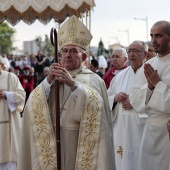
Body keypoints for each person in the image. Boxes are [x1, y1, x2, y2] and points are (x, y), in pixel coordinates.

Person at [18, 15, 115, 170]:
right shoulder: (52, 77)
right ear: (60, 55)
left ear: (83, 57)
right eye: (64, 51)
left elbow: (98, 109)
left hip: (79, 140)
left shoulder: (94, 80)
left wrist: (73, 85)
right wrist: (48, 81)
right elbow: (32, 105)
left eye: (73, 51)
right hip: (51, 138)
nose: (68, 55)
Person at [129, 20, 170, 170]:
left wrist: (158, 84)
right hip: (150, 130)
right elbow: (134, 99)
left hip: (167, 130)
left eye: (159, 35)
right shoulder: (148, 66)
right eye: (152, 36)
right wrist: (151, 87)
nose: (153, 40)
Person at [107, 41, 148, 170]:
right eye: (129, 51)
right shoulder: (119, 77)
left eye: (136, 51)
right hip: (121, 129)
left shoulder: (151, 73)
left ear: (145, 54)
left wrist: (134, 101)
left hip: (143, 128)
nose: (132, 54)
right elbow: (106, 97)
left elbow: (157, 97)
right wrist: (115, 98)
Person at [0, 56, 26, 170]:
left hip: (9, 126)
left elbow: (22, 96)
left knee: (9, 161)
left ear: (1, 65)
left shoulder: (11, 78)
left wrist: (6, 94)